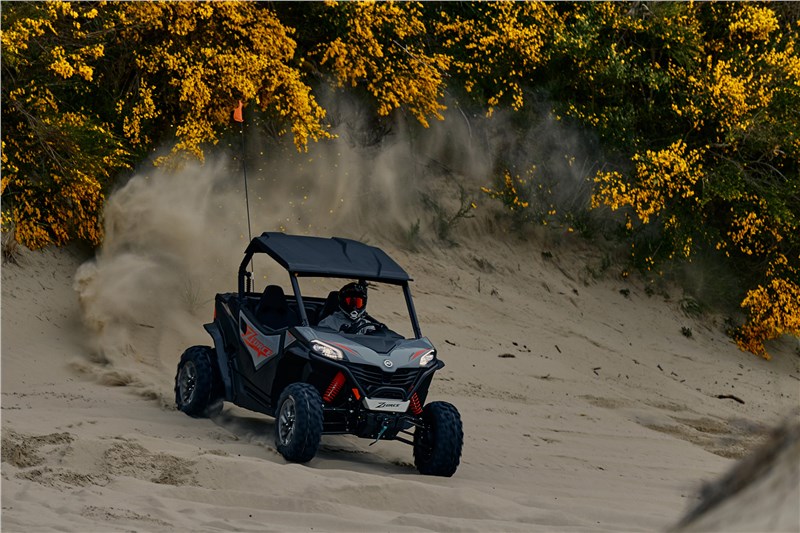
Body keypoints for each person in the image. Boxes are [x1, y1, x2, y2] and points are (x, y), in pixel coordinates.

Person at [318, 281, 385, 335]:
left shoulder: (367, 325)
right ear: (343, 302)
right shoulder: (329, 322)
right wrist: (341, 335)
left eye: (358, 303)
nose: (354, 307)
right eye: (351, 302)